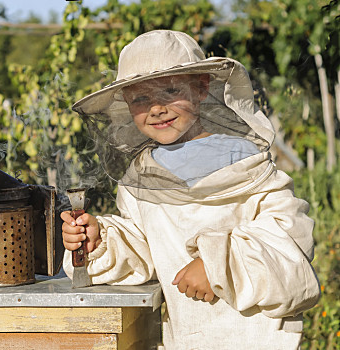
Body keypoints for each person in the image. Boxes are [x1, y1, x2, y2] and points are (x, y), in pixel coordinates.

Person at [61, 30, 320, 349]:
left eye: (169, 91)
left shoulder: (245, 161)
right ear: (126, 104)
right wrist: (100, 239)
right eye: (141, 98)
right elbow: (143, 248)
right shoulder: (140, 176)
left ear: (200, 88)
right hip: (186, 336)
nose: (155, 108)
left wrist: (218, 265)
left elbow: (291, 238)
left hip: (253, 334)